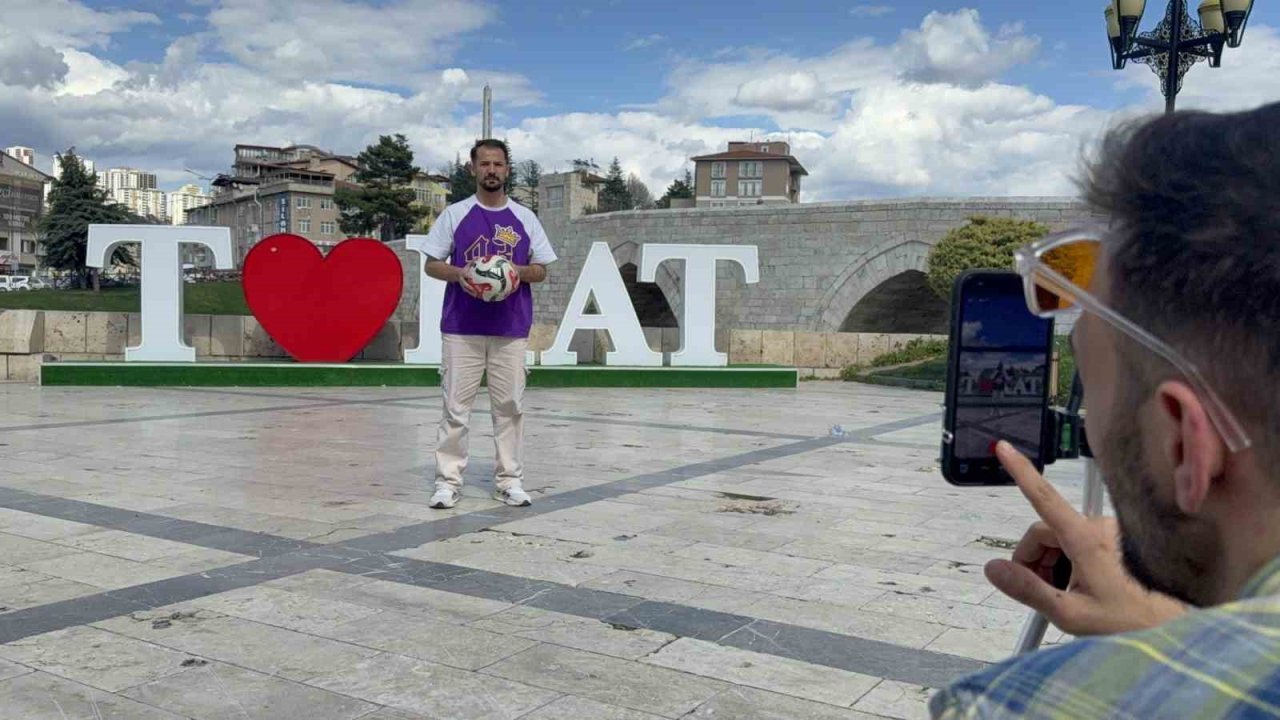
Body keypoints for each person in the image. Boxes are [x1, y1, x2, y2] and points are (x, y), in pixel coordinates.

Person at [931, 101, 1280, 717]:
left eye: (1094, 401)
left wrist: (1160, 665)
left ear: (1185, 447)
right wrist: (1178, 630)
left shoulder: (1020, 707)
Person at [421, 138, 556, 509]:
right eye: (485, 164)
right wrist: (462, 272)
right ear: (473, 169)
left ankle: (509, 480)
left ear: (507, 169)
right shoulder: (455, 214)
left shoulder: (526, 218)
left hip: (510, 326)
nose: (491, 171)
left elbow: (541, 269)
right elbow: (431, 264)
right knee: (455, 406)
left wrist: (514, 273)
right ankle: (447, 481)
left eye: (498, 164)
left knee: (510, 405)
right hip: (461, 326)